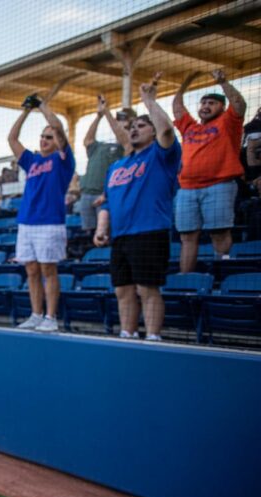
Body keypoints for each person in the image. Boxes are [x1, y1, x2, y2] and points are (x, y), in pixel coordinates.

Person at [94, 74, 181, 342]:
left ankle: (153, 337)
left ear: (153, 131)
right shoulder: (116, 167)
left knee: (147, 288)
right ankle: (127, 335)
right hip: (121, 236)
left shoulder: (161, 155)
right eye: (132, 126)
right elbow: (108, 201)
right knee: (123, 290)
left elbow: (167, 131)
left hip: (149, 231)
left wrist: (148, 100)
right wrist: (101, 227)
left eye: (142, 126)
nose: (134, 129)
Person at [8, 94, 76, 332]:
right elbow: (12, 138)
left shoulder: (63, 160)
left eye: (50, 137)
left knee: (49, 270)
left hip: (50, 222)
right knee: (31, 270)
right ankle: (36, 314)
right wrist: (26, 110)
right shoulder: (32, 160)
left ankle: (51, 316)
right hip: (27, 222)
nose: (46, 139)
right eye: (43, 136)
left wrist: (43, 107)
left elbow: (57, 128)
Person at [173, 69, 247, 270]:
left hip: (219, 185)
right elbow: (177, 107)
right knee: (187, 236)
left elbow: (240, 105)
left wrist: (223, 82)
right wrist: (186, 82)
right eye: (204, 103)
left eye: (212, 103)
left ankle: (221, 272)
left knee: (219, 232)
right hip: (187, 189)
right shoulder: (190, 126)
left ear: (222, 108)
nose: (206, 106)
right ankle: (185, 281)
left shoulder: (228, 122)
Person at [78, 98, 133, 234]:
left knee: (105, 232)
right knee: (88, 235)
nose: (120, 123)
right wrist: (99, 115)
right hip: (87, 194)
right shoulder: (101, 145)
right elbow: (88, 140)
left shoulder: (128, 147)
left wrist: (108, 114)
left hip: (105, 196)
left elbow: (124, 139)